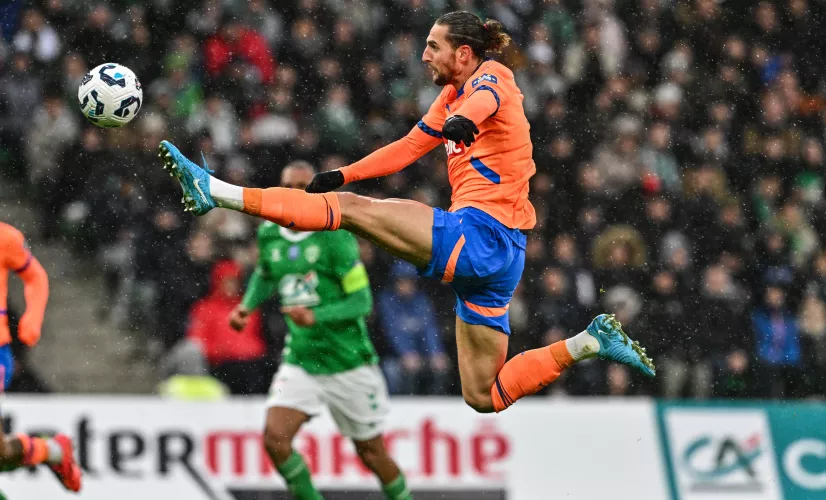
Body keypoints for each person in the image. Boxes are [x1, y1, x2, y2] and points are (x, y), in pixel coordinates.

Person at [161, 11, 655, 415]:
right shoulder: (450, 96)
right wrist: (345, 173)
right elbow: (409, 147)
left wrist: (464, 120)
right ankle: (588, 342)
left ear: (464, 53)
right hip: (503, 256)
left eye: (434, 47)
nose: (424, 55)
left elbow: (485, 101)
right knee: (483, 396)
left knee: (348, 213)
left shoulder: (491, 76)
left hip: (480, 235)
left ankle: (215, 191)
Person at [227, 162, 412, 500]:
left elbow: (362, 302)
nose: (294, 193)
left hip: (348, 362)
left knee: (372, 453)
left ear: (317, 193)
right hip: (302, 359)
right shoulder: (269, 233)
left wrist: (316, 316)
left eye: (303, 187)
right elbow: (266, 273)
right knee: (275, 439)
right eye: (288, 186)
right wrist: (247, 306)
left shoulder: (336, 236)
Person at [0, 222, 81, 491]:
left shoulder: (5, 237)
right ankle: (53, 451)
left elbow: (36, 277)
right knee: (1, 454)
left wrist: (32, 319)